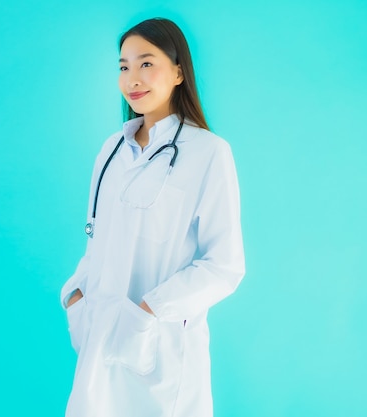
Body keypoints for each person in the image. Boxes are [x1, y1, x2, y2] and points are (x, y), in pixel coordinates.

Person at [60, 17, 245, 417]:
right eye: (124, 66)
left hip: (162, 351)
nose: (133, 78)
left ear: (179, 71)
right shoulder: (112, 150)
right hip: (98, 342)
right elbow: (98, 241)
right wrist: (75, 296)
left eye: (146, 63)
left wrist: (148, 311)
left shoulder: (208, 152)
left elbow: (224, 266)